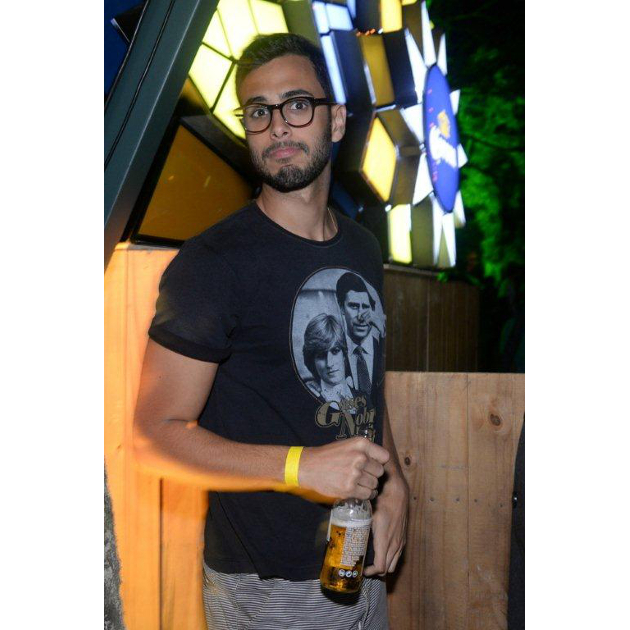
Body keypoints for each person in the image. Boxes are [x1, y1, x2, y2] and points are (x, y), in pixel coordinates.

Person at [133, 32, 408, 630]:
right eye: (259, 111)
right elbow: (153, 438)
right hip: (269, 587)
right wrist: (298, 468)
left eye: (297, 105)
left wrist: (394, 487)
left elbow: (363, 387)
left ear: (336, 120)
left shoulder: (362, 247)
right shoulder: (213, 263)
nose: (278, 125)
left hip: (356, 557)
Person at [335, 272, 385, 405]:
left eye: (366, 307)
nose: (361, 316)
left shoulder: (382, 349)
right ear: (341, 308)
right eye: (354, 306)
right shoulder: (333, 352)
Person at [302, 313, 356, 405]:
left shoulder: (364, 398)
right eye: (321, 355)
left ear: (344, 354)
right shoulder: (307, 399)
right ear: (312, 361)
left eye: (335, 351)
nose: (329, 363)